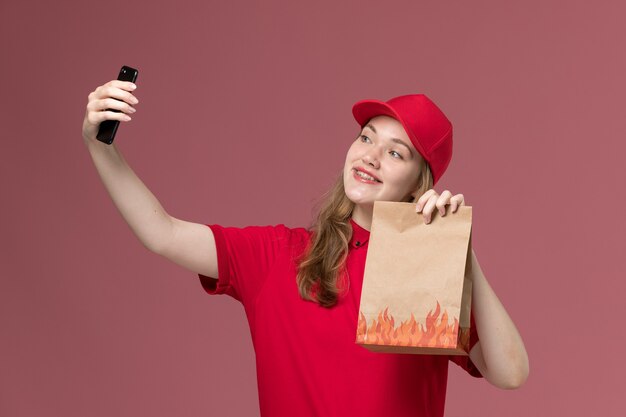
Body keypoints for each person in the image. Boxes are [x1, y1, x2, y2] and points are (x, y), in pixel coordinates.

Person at [82, 81, 529, 417]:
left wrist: (458, 248)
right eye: (367, 137)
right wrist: (99, 147)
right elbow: (161, 232)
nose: (370, 156)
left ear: (421, 182)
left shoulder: (427, 276)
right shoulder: (280, 255)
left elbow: (510, 374)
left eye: (396, 153)